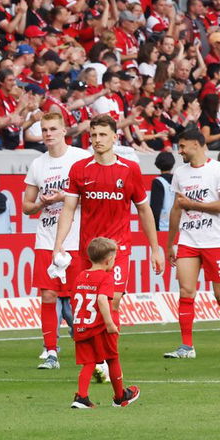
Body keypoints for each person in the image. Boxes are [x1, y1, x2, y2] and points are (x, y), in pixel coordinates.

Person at [51, 115, 163, 322]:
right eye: (93, 135)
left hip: (117, 248)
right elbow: (68, 210)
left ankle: (108, 353)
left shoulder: (130, 169)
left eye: (103, 134)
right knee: (90, 302)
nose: (97, 139)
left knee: (113, 299)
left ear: (115, 137)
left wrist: (155, 249)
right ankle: (96, 352)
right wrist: (58, 244)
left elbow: (144, 210)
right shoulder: (79, 169)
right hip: (88, 248)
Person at [163, 127, 220, 360]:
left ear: (197, 144)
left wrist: (194, 205)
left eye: (183, 146)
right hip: (188, 239)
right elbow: (177, 208)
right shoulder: (181, 173)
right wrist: (170, 244)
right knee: (186, 291)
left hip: (215, 241)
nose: (180, 151)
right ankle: (187, 346)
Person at [22, 111, 89, 371]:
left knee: (79, 297)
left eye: (52, 129)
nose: (48, 134)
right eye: (44, 130)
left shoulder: (80, 159)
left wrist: (65, 198)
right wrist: (41, 202)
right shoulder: (38, 164)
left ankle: (86, 347)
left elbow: (94, 196)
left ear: (64, 131)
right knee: (48, 295)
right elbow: (27, 206)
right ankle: (51, 351)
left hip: (75, 238)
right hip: (47, 238)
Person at [70, 237, 140, 410]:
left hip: (82, 325)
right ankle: (120, 397)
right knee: (112, 358)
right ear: (109, 260)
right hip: (100, 326)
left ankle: (81, 397)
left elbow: (74, 300)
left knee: (89, 362)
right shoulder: (106, 278)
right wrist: (109, 324)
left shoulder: (80, 276)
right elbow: (102, 299)